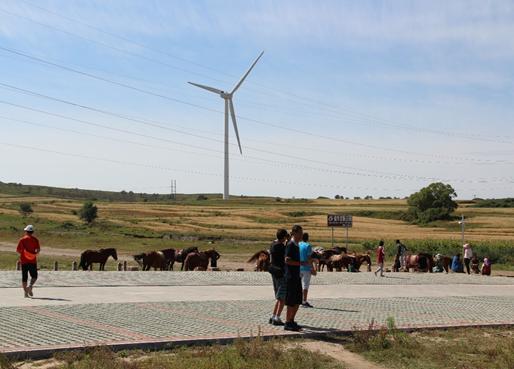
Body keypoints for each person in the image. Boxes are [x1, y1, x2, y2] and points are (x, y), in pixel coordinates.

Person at [283, 224, 307, 331]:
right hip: (291, 276)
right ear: (295, 233)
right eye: (300, 233)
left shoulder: (297, 244)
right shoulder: (291, 245)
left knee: (298, 300)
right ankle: (287, 322)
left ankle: (292, 320)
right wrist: (300, 263)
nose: (302, 235)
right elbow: (287, 260)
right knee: (291, 301)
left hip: (297, 276)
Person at [268, 228, 289, 326]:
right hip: (281, 272)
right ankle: (277, 317)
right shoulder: (281, 246)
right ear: (284, 237)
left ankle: (273, 315)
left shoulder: (273, 244)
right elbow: (286, 255)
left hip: (274, 271)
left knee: (278, 296)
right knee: (282, 297)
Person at [16, 225, 40, 298]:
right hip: (32, 261)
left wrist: (24, 253)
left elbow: (18, 250)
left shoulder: (22, 240)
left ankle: (25, 294)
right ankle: (30, 286)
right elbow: (38, 250)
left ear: (26, 231)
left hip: (24, 261)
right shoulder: (35, 240)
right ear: (32, 232)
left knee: (24, 277)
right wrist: (33, 254)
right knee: (34, 276)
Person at [299, 232, 315, 308]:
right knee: (305, 285)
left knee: (298, 284)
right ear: (307, 238)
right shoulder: (308, 246)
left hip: (299, 267)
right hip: (306, 268)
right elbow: (309, 258)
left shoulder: (298, 244)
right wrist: (312, 268)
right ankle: (304, 301)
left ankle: (298, 300)